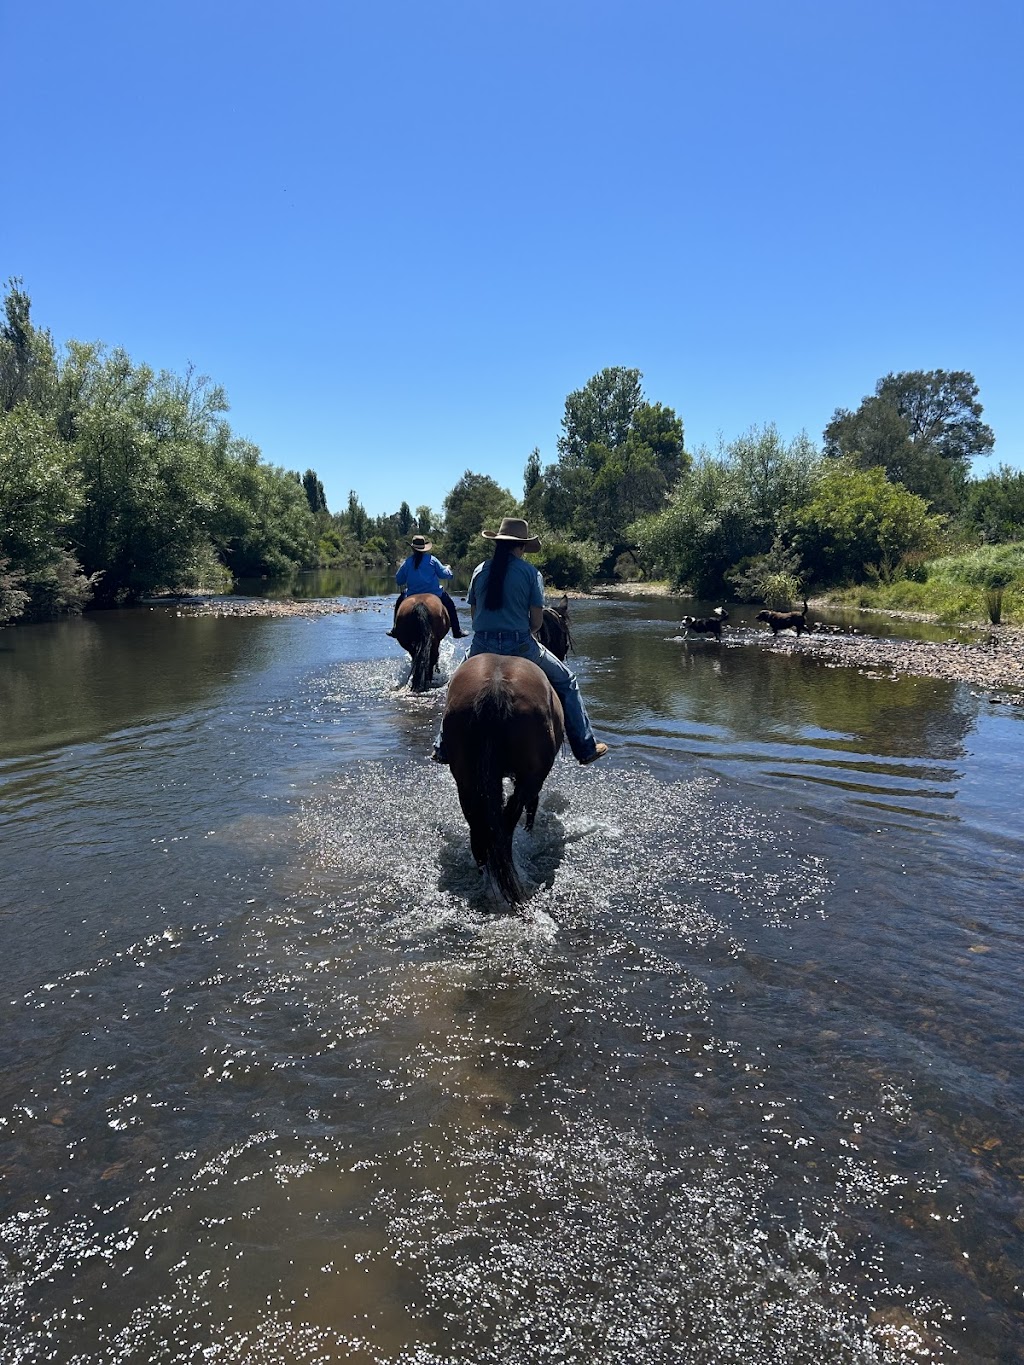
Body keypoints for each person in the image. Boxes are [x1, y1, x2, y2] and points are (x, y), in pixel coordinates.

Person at [432, 517, 608, 765]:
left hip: (481, 645)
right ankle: (585, 746)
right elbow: (536, 623)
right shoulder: (530, 573)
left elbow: (474, 616)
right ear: (522, 546)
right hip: (521, 645)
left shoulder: (479, 571)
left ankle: (442, 747)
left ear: (498, 544)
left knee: (454, 686)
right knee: (567, 681)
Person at [388, 534, 465, 638]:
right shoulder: (432, 560)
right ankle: (456, 631)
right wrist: (448, 570)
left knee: (399, 603)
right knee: (450, 605)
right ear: (424, 548)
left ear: (413, 549)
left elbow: (399, 580)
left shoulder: (407, 562)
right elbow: (443, 574)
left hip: (411, 594)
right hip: (435, 594)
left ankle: (395, 629)